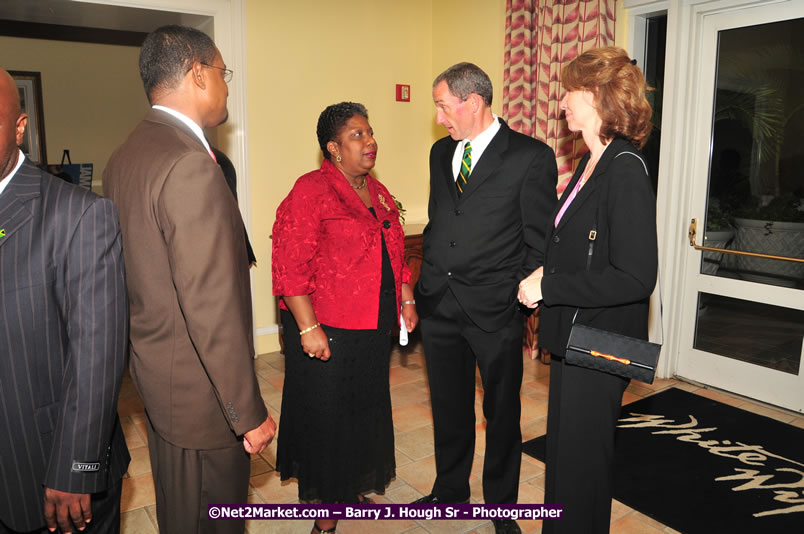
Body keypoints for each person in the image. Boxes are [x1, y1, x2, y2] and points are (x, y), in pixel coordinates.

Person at [103, 25, 275, 534]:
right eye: (223, 73)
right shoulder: (189, 164)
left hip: (160, 378)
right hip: (204, 398)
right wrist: (247, 412)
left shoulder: (128, 153)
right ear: (198, 75)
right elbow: (210, 305)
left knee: (182, 515)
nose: (226, 86)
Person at [517, 47, 658, 533]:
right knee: (565, 458)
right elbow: (574, 244)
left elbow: (637, 276)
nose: (562, 103)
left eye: (570, 92)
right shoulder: (591, 160)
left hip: (601, 341)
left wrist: (550, 285)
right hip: (575, 336)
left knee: (583, 467)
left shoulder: (625, 168)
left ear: (597, 97)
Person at [413, 62, 557, 534]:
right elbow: (441, 220)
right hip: (439, 302)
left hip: (494, 308)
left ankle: (502, 509)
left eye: (442, 105)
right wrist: (425, 278)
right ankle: (450, 489)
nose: (439, 117)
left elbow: (539, 239)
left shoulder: (529, 156)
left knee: (501, 414)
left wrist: (514, 293)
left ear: (472, 101)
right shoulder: (440, 153)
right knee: (449, 408)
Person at [272, 102, 418, 534]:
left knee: (362, 409)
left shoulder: (379, 191)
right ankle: (326, 511)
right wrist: (308, 327)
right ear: (333, 147)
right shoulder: (311, 190)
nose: (370, 141)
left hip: (372, 326)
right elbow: (289, 266)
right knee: (328, 417)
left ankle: (348, 485)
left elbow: (395, 252)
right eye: (358, 135)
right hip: (328, 326)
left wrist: (406, 297)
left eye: (370, 133)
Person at [0, 67, 130, 533]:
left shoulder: (79, 215)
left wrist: (76, 468)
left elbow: (98, 355)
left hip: (48, 472)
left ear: (19, 128)